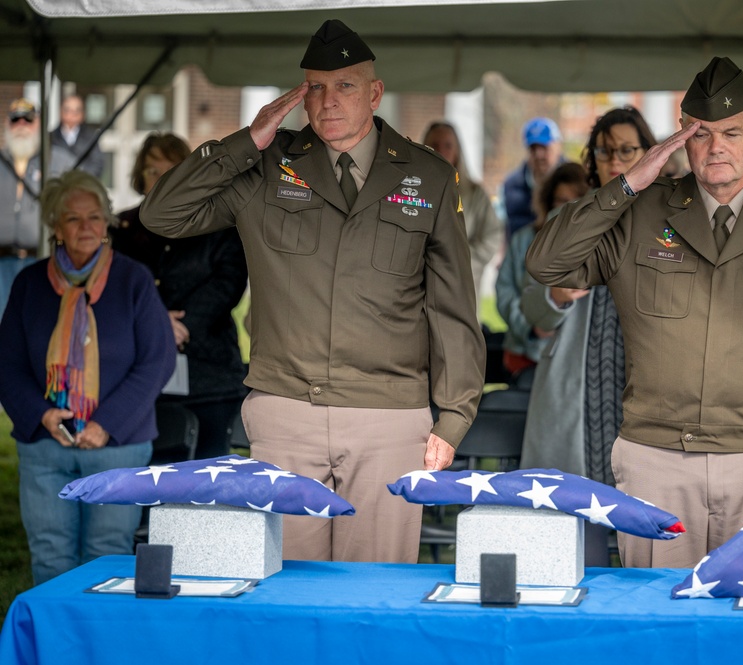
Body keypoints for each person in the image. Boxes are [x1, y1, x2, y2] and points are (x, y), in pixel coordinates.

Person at [141, 19, 485, 564]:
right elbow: (161, 215)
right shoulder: (266, 165)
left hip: (389, 417)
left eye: (345, 85)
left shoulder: (429, 176)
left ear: (374, 93)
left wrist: (454, 416)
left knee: (375, 593)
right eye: (315, 87)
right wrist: (243, 142)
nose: (328, 101)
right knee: (286, 588)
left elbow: (453, 308)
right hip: (288, 410)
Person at [526, 57, 743, 570]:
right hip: (658, 460)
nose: (717, 147)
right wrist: (629, 183)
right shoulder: (639, 210)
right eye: (701, 135)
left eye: (731, 132)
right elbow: (547, 263)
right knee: (662, 629)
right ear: (682, 138)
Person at [0, 169, 175, 585]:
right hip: (45, 446)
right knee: (50, 556)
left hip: (117, 448)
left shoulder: (133, 279)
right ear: (55, 227)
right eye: (74, 218)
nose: (86, 227)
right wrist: (42, 414)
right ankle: (56, 650)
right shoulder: (30, 283)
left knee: (107, 559)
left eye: (95, 217)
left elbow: (157, 361)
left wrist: (105, 424)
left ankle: (98, 649)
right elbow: (7, 364)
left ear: (107, 222)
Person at [519, 106, 658, 485]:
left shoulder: (669, 217)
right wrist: (555, 298)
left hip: (646, 384)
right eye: (603, 151)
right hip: (574, 385)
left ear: (648, 152)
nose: (615, 159)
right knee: (575, 515)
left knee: (646, 509)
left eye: (626, 150)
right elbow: (531, 306)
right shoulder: (568, 218)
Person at [111, 132, 248, 460]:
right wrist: (157, 324)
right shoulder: (121, 229)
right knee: (150, 481)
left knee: (209, 476)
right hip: (142, 374)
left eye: (172, 170)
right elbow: (115, 288)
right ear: (139, 176)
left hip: (210, 369)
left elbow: (228, 283)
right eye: (152, 170)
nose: (161, 179)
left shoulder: (218, 224)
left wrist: (181, 325)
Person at [496, 162, 588, 383]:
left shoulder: (595, 246)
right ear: (548, 201)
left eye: (576, 202)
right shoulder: (524, 239)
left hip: (573, 360)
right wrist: (531, 328)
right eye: (561, 201)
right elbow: (504, 291)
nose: (567, 209)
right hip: (525, 352)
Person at [0, 98, 74, 318]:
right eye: (15, 119)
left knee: (38, 323)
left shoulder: (59, 162)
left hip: (43, 261)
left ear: (39, 124)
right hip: (2, 263)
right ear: (7, 123)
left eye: (28, 119)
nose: (21, 124)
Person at [422, 121, 503, 301]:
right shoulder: (410, 190)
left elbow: (492, 236)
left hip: (462, 286)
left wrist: (460, 260)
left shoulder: (475, 194)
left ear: (457, 150)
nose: (441, 151)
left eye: (448, 145)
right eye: (434, 145)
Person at [501, 117, 564, 239]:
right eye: (533, 148)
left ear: (558, 146)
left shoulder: (575, 181)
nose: (538, 155)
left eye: (544, 147)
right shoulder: (511, 186)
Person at [49, 94, 105, 178]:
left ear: (82, 113)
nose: (72, 114)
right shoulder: (51, 137)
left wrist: (82, 179)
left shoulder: (91, 136)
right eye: (67, 110)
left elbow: (97, 164)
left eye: (76, 111)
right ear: (60, 112)